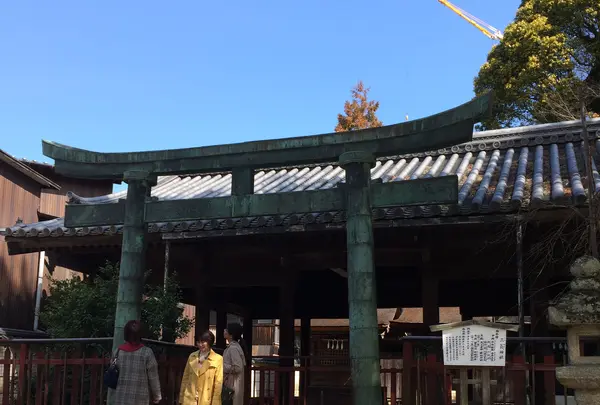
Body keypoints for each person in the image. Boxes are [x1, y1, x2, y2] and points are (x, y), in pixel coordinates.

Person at [111, 320, 162, 405]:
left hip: (121, 397)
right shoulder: (147, 352)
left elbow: (113, 372)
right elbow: (153, 377)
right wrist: (157, 396)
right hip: (140, 398)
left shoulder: (118, 351)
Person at [179, 330, 223, 405]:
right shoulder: (192, 356)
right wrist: (181, 398)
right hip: (190, 399)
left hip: (206, 400)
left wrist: (215, 403)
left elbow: (218, 384)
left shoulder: (218, 359)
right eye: (198, 342)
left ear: (210, 342)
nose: (200, 344)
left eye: (203, 342)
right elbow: (185, 378)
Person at [223, 323, 247, 405]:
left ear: (231, 334)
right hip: (232, 383)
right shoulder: (233, 347)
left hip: (232, 384)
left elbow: (237, 367)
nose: (224, 331)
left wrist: (221, 365)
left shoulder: (233, 348)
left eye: (226, 329)